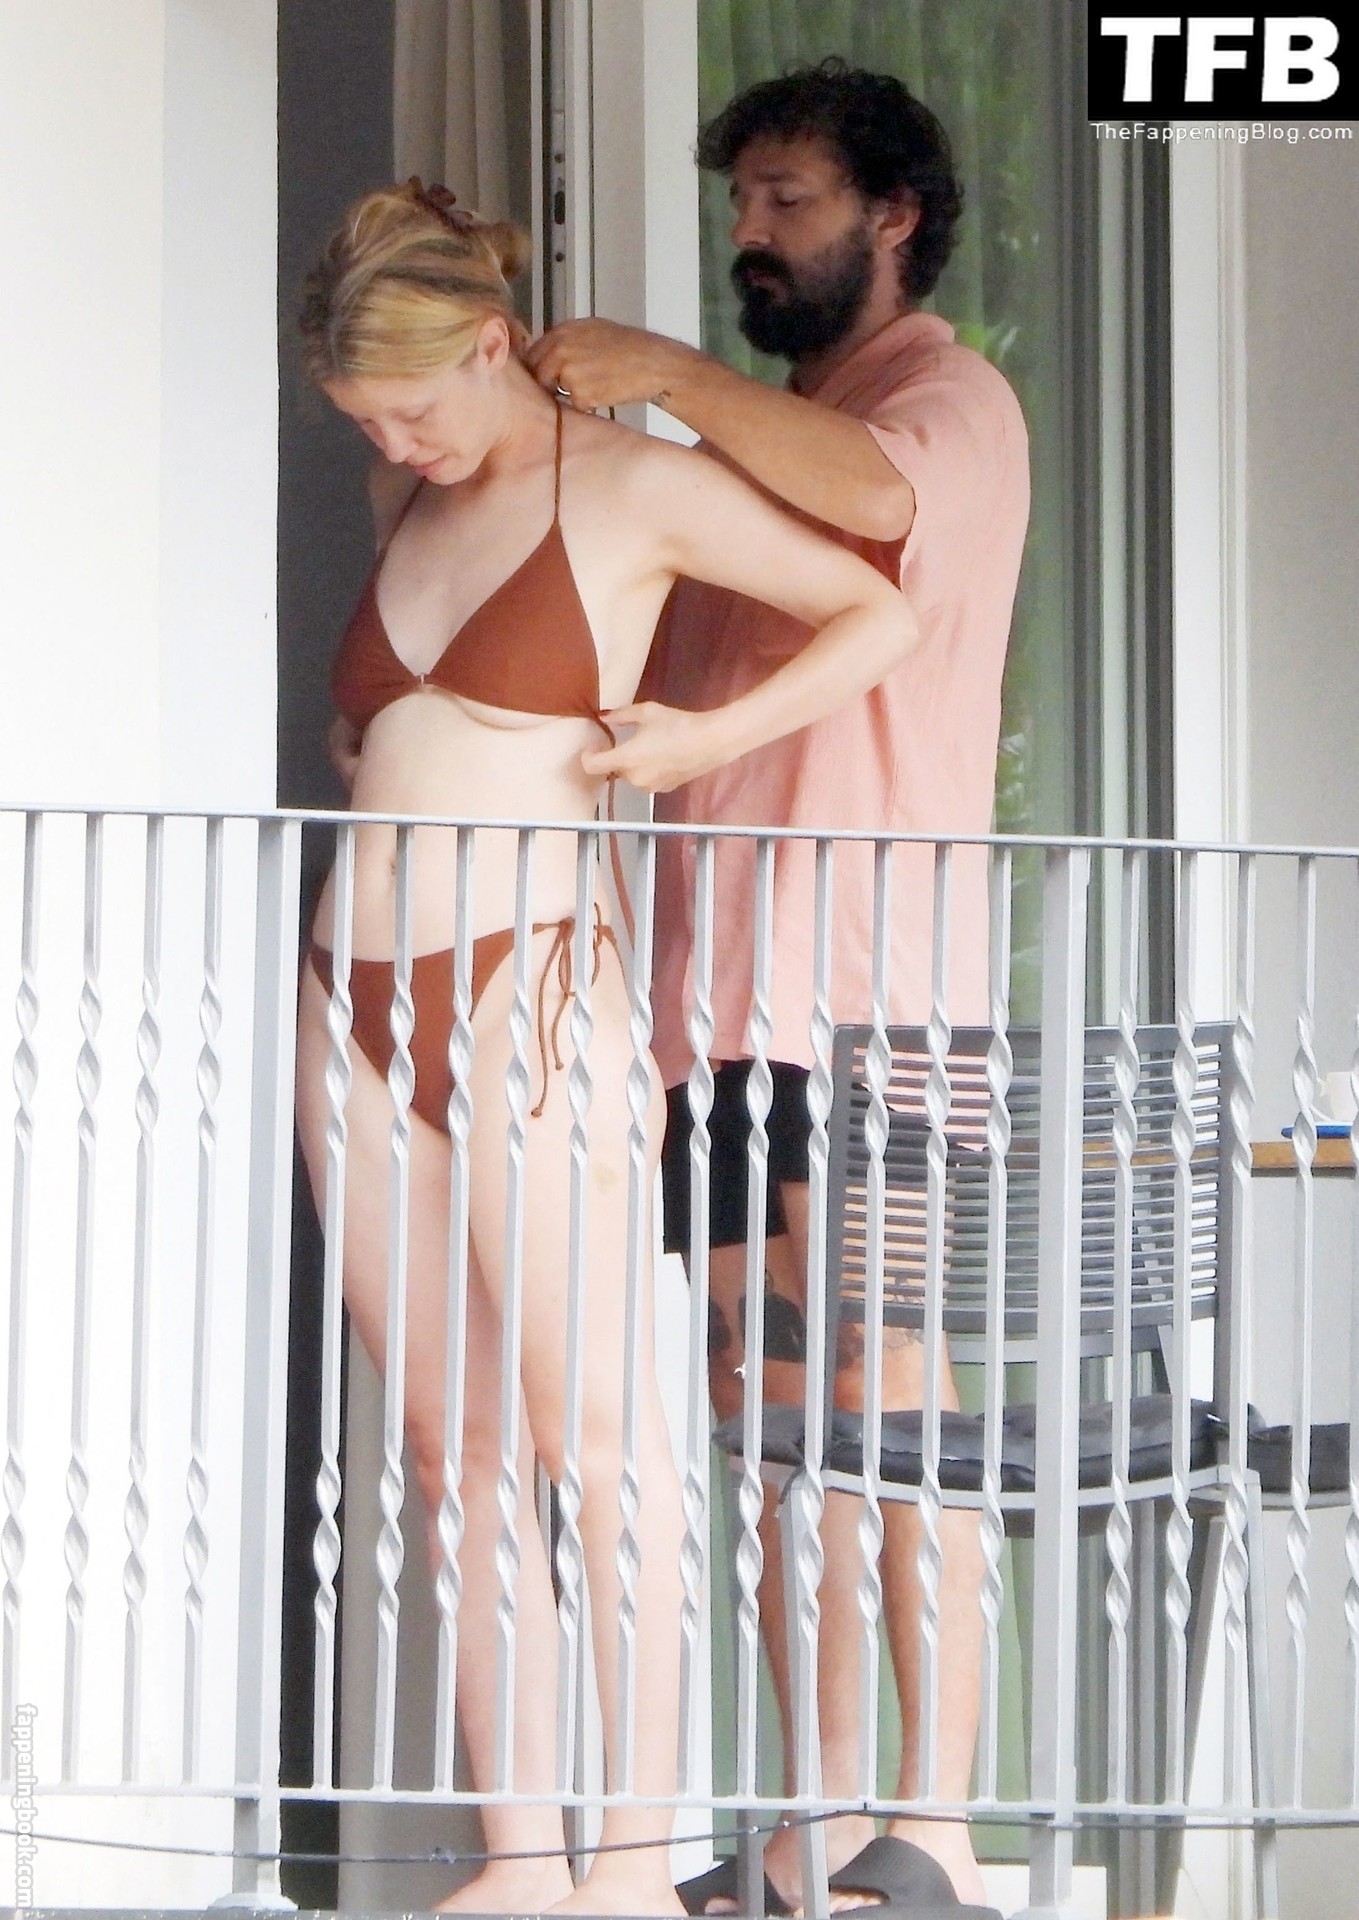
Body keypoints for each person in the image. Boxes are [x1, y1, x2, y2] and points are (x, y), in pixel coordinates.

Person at [293, 177, 917, 1917]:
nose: (394, 446)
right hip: (349, 999)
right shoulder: (406, 493)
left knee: (602, 1441)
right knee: (451, 1453)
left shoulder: (636, 485)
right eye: (364, 421)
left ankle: (630, 1863)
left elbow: (877, 608)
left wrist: (708, 735)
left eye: (411, 408)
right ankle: (523, 1857)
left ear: (492, 343)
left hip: (532, 987)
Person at [528, 59, 1029, 1917]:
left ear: (894, 216)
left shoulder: (946, 400)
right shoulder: (765, 438)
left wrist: (667, 376)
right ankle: (815, 1829)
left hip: (878, 1014)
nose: (752, 232)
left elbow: (878, 504)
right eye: (741, 202)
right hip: (718, 1023)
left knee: (892, 1404)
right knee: (772, 1419)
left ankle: (938, 1828)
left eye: (789, 199)